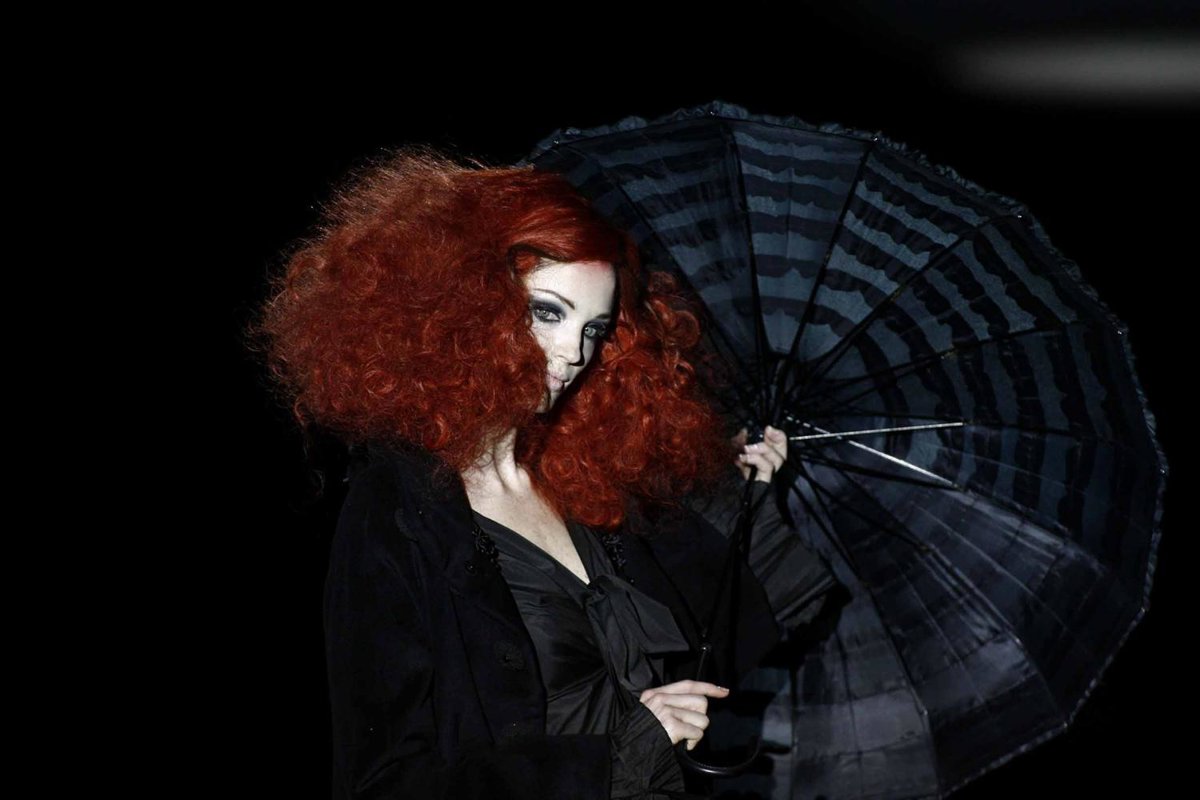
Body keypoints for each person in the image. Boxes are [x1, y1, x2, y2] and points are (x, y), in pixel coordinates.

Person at [250, 145, 841, 799]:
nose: (573, 353)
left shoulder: (582, 485)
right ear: (465, 305)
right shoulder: (399, 510)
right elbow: (384, 783)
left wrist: (746, 494)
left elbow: (721, 639)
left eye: (595, 329)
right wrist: (616, 757)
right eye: (548, 312)